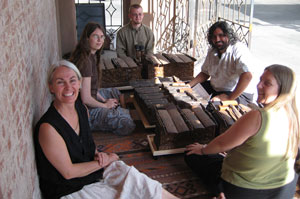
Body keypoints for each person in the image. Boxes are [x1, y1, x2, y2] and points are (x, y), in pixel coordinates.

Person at [34, 60, 179, 199]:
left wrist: (98, 155)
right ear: (51, 87)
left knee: (136, 179)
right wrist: (105, 161)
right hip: (69, 189)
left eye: (72, 80)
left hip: (91, 170)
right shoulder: (48, 128)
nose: (68, 87)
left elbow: (87, 144)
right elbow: (68, 172)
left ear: (79, 83)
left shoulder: (81, 109)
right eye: (60, 82)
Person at [185, 64, 299, 199]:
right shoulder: (294, 115)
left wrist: (203, 149)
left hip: (245, 191)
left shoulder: (257, 116)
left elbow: (222, 144)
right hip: (284, 191)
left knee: (191, 154)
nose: (259, 85)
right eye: (260, 80)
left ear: (282, 90)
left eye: (267, 83)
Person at [70, 22, 135, 136]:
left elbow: (92, 89)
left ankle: (116, 110)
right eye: (95, 36)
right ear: (87, 38)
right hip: (86, 112)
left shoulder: (92, 55)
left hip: (90, 99)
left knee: (115, 92)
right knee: (127, 123)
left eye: (102, 37)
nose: (99, 40)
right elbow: (85, 99)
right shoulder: (85, 61)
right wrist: (105, 106)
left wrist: (104, 100)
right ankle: (108, 116)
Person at [189, 21, 255, 105]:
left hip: (238, 93)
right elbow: (205, 73)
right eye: (214, 37)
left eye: (221, 35)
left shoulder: (238, 49)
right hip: (217, 89)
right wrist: (188, 85)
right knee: (190, 92)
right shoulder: (212, 50)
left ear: (229, 35)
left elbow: (247, 76)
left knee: (213, 106)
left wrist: (229, 98)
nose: (217, 40)